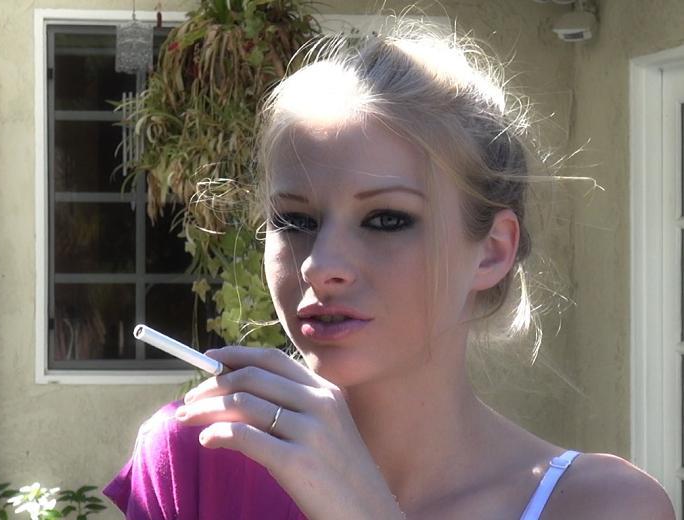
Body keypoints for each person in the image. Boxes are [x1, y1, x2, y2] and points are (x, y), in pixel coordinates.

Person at [104, 17, 676, 520]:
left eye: (386, 220)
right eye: (295, 220)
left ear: (493, 250)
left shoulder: (602, 506)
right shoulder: (198, 454)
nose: (321, 266)